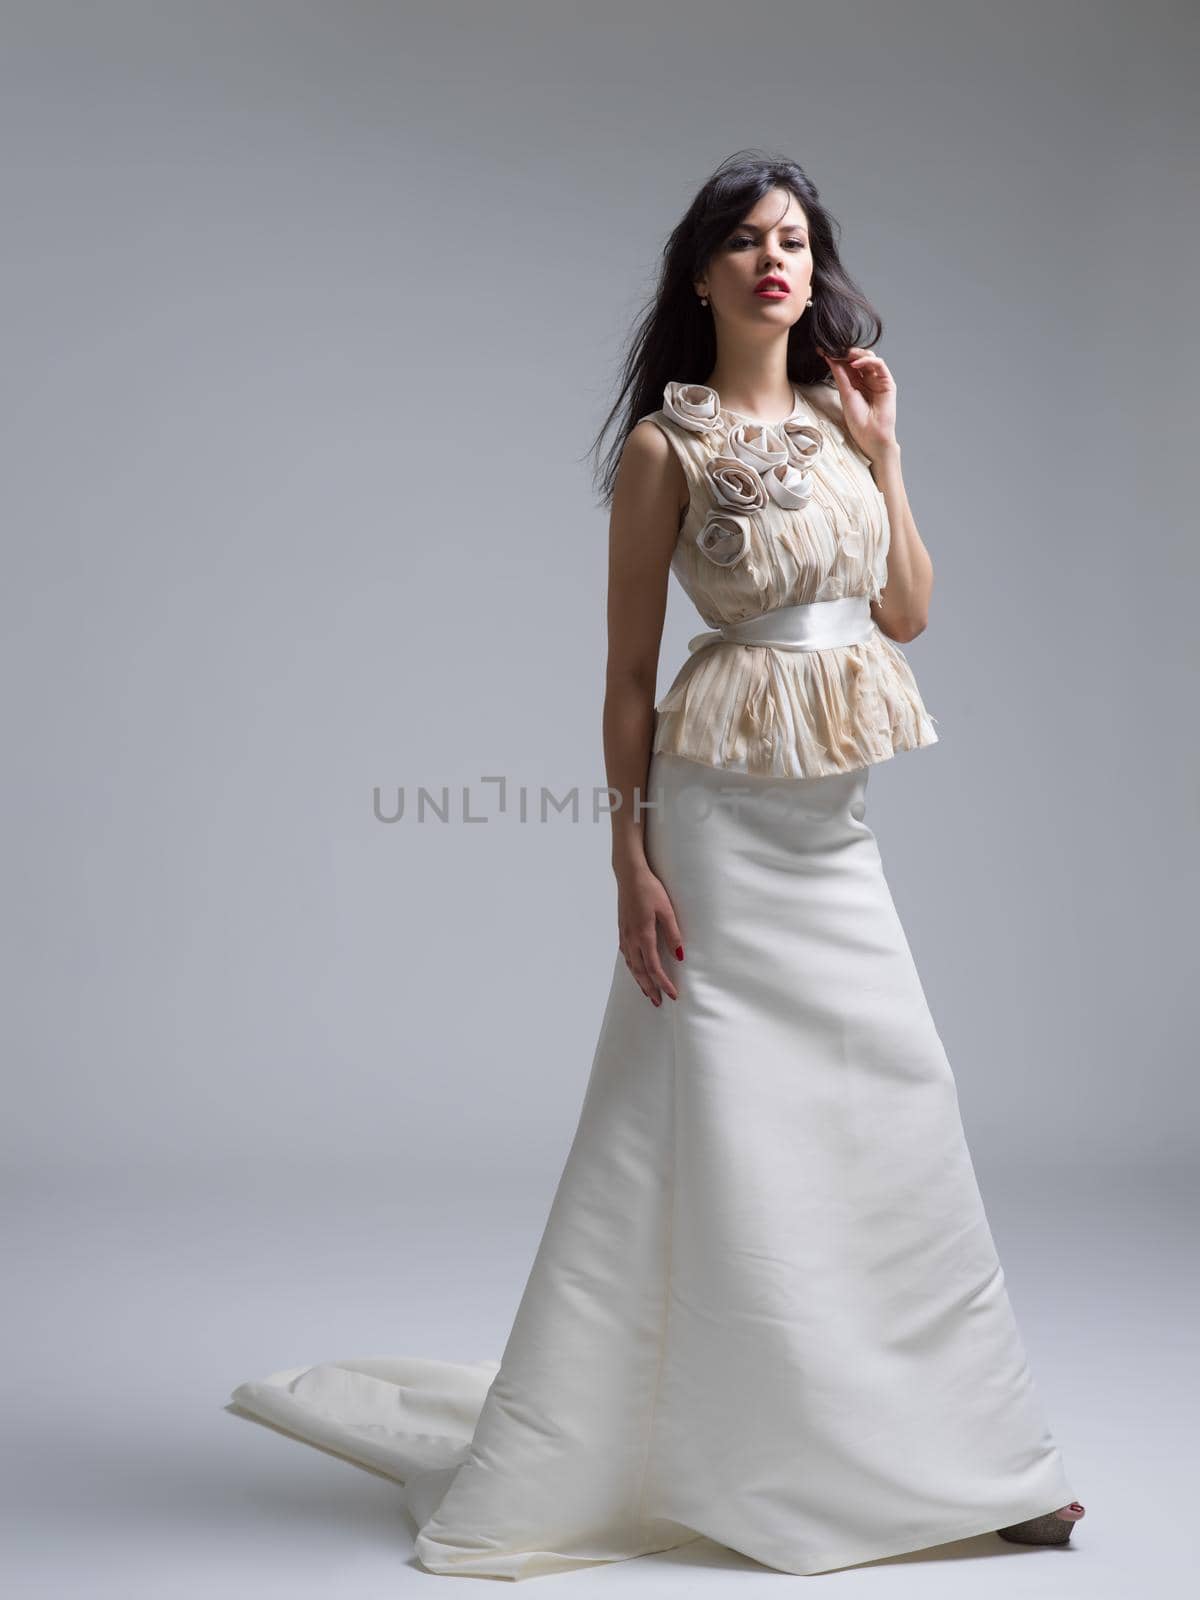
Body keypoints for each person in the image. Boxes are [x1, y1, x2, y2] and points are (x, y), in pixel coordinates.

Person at [228, 151, 1086, 1578]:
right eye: (745, 241)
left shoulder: (840, 414)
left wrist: (886, 450)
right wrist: (626, 858)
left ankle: (968, 1463)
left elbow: (910, 613)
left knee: (892, 1108)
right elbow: (628, 676)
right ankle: (765, 1460)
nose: (774, 260)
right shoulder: (661, 452)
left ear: (817, 269)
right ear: (700, 274)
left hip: (834, 825)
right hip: (720, 824)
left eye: (795, 241)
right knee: (745, 1133)